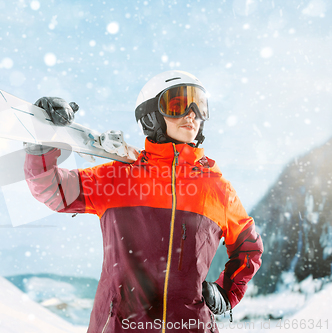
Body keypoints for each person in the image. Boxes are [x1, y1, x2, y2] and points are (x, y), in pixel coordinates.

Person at [23, 71, 263, 332]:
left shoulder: (217, 188)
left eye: (199, 106)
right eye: (178, 104)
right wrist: (41, 143)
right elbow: (51, 189)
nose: (191, 113)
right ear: (151, 115)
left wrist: (227, 293)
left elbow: (248, 248)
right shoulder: (118, 177)